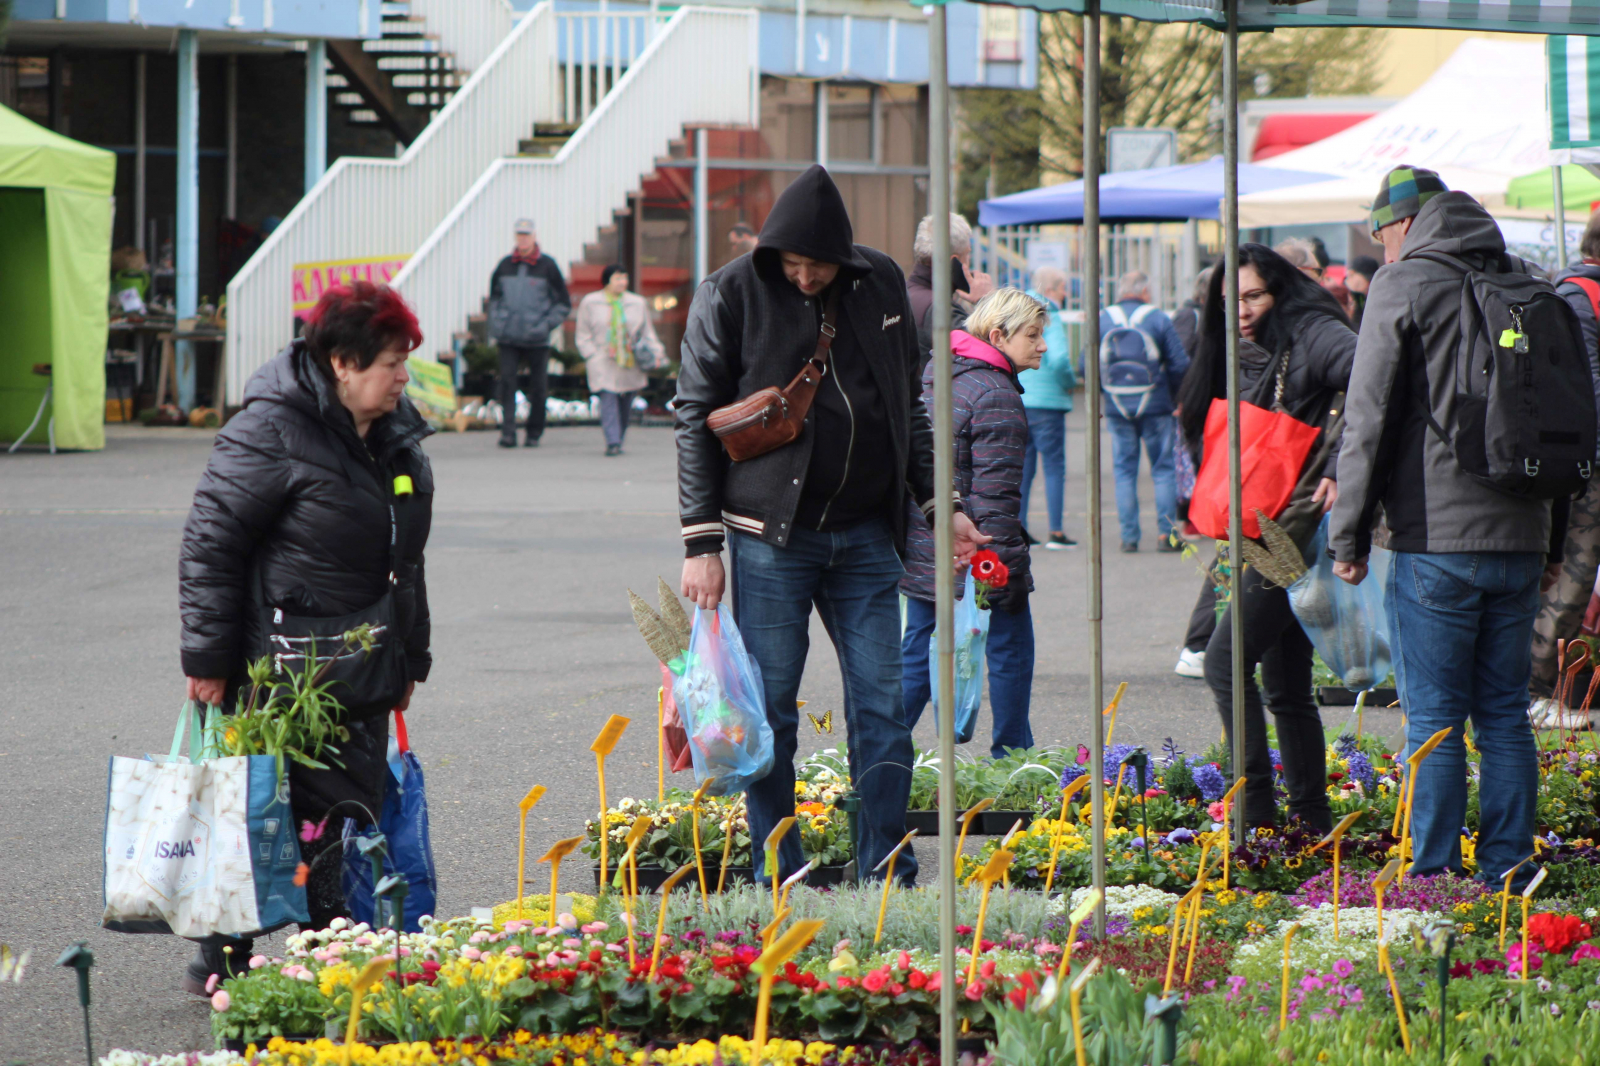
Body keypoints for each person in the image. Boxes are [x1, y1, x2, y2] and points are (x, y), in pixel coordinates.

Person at [673, 164, 988, 885]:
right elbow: (693, 415)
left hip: (866, 537)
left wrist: (944, 505)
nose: (806, 276)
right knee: (772, 710)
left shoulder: (876, 283)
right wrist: (701, 542)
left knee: (881, 705)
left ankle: (887, 865)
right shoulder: (730, 291)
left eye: (818, 265)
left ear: (842, 258)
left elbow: (909, 408)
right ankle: (777, 867)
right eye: (793, 264)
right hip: (766, 537)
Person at [178, 281, 434, 992]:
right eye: (391, 363)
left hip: (363, 662)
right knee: (262, 810)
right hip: (279, 668)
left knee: (344, 815)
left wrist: (411, 651)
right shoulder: (271, 427)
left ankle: (330, 950)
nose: (402, 378)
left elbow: (403, 560)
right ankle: (224, 953)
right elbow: (211, 544)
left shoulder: (395, 437)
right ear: (343, 364)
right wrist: (207, 657)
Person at [1330, 166, 1569, 885]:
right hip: (1524, 535)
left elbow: (1367, 418)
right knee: (1501, 712)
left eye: (1381, 234)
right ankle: (1509, 872)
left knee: (1433, 717)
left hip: (1436, 540)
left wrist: (1347, 536)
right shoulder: (1529, 281)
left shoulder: (1403, 284)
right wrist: (1551, 545)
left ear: (1402, 225)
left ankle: (1431, 881)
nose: (1382, 249)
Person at [1177, 244, 1356, 832]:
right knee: (1284, 679)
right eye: (1232, 300)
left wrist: (1337, 466)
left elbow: (1376, 383)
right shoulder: (1255, 345)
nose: (1243, 310)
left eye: (1255, 296)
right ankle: (1309, 816)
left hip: (1293, 530)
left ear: (1280, 289)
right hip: (1270, 525)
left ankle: (1252, 818)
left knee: (1224, 663)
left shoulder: (1313, 330)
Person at [901, 289, 1045, 757]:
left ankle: (873, 755)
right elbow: (996, 498)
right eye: (1033, 335)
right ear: (998, 335)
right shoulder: (997, 394)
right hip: (979, 551)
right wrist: (1007, 570)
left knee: (917, 655)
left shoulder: (940, 373)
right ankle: (1013, 760)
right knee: (1011, 648)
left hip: (927, 539)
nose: (1043, 345)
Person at [1528, 209, 1600, 729]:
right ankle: (1536, 690)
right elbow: (1589, 386)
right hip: (1591, 465)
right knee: (1572, 578)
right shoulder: (1580, 295)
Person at [1097, 270, 1189, 553]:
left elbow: (1084, 365)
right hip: (1156, 404)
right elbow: (1179, 364)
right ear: (1145, 292)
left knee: (1124, 470)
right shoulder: (1158, 317)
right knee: (1162, 469)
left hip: (1116, 405)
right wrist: (1175, 398)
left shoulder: (1103, 318)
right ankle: (1167, 536)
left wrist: (1106, 394)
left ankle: (1129, 537)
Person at [488, 218, 571, 449]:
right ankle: (508, 433)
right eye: (519, 235)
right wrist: (498, 326)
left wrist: (545, 326)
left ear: (535, 236)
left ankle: (534, 433)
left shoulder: (548, 266)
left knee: (539, 387)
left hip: (537, 339)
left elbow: (563, 303)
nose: (523, 238)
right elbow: (494, 300)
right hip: (508, 338)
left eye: (526, 234)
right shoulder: (504, 265)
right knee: (507, 385)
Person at [574, 264, 663, 456]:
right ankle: (612, 441)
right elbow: (582, 332)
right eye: (618, 278)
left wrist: (657, 354)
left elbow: (647, 332)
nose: (622, 282)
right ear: (607, 281)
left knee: (625, 402)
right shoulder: (590, 302)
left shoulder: (637, 302)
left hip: (630, 360)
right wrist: (590, 354)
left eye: (625, 278)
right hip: (603, 359)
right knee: (608, 398)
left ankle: (618, 437)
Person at [1021, 267, 1078, 549]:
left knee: (1023, 468)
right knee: (1054, 467)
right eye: (1063, 288)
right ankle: (1055, 531)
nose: (1066, 294)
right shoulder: (1048, 313)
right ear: (1052, 290)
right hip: (1048, 403)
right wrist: (1071, 383)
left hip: (1020, 400)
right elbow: (1058, 359)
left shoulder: (1017, 310)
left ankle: (1019, 528)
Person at [907, 212, 995, 366]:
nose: (969, 264)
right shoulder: (940, 309)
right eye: (967, 255)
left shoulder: (906, 292)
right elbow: (989, 354)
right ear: (953, 262)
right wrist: (989, 302)